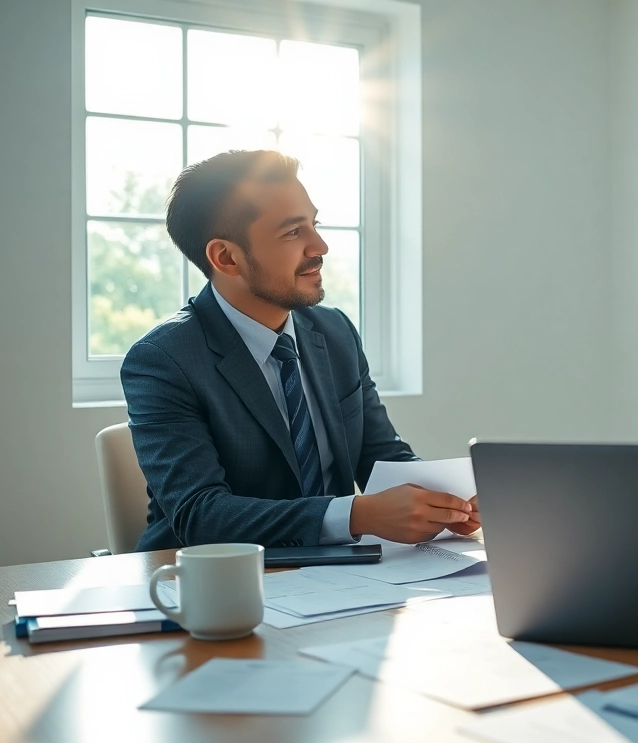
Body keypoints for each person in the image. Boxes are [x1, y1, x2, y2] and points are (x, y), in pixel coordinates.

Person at [124, 149, 479, 551]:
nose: (321, 246)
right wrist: (357, 515)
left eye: (315, 224)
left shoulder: (335, 331)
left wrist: (451, 503)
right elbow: (201, 515)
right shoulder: (162, 361)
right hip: (213, 588)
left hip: (339, 578)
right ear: (226, 257)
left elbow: (383, 457)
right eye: (294, 232)